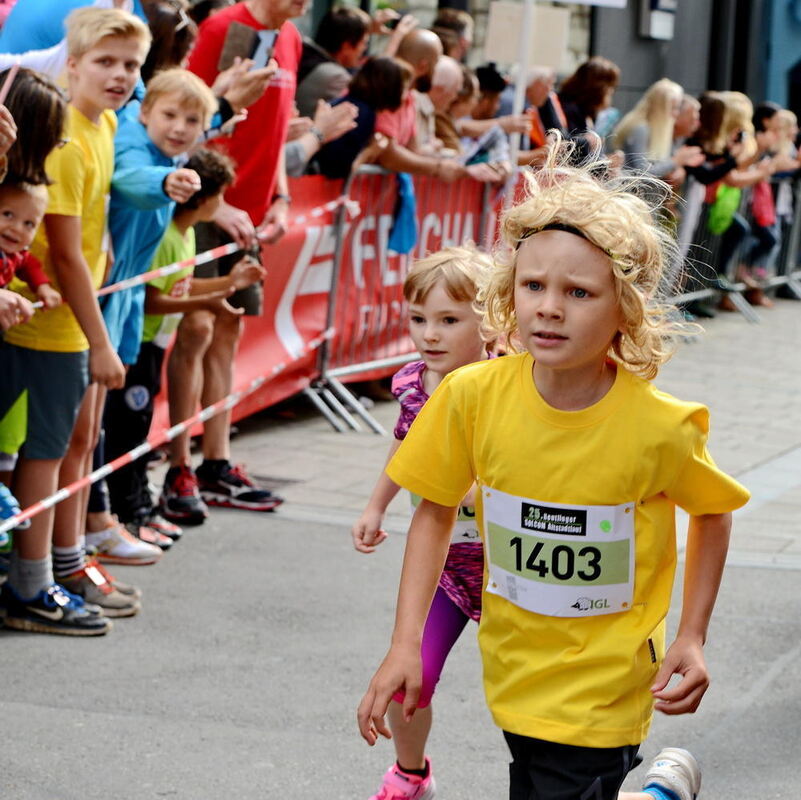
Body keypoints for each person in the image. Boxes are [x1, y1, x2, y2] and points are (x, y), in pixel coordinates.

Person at [357, 137, 749, 800]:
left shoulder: (660, 427)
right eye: (532, 285)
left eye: (578, 291)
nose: (547, 306)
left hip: (606, 683)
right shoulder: (470, 396)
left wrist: (691, 634)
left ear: (624, 307)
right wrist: (403, 646)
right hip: (514, 668)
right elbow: (433, 510)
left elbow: (711, 510)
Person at [0, 7, 151, 633]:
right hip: (48, 328)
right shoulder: (62, 133)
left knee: (68, 448)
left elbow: (94, 226)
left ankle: (61, 564)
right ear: (73, 62)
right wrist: (100, 339)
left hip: (66, 320)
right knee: (41, 456)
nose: (119, 76)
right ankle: (31, 585)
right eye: (105, 62)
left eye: (131, 65)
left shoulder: (108, 122)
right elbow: (59, 250)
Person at [352, 246, 492, 800]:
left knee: (539, 704)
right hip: (446, 573)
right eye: (418, 319)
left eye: (449, 320)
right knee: (408, 681)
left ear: (491, 319)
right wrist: (376, 504)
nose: (429, 335)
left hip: (512, 575)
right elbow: (403, 449)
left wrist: (477, 488)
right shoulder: (414, 383)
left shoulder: (508, 387)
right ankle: (411, 776)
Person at [171, 0, 303, 523]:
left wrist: (282, 196)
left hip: (247, 209)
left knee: (226, 330)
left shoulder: (288, 35)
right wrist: (215, 202)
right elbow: (190, 117)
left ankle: (215, 462)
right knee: (196, 328)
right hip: (206, 201)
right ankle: (180, 464)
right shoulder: (224, 28)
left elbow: (278, 123)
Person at [85, 67, 218, 561]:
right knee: (90, 425)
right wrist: (165, 181)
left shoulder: (171, 148)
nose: (180, 127)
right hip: (101, 294)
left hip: (125, 299)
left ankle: (103, 520)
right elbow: (127, 178)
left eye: (192, 120)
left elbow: (197, 111)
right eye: (169, 115)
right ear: (144, 113)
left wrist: (219, 105)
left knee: (101, 421)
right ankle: (95, 521)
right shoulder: (140, 148)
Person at [104, 148, 263, 534]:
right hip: (137, 345)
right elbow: (155, 298)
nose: (224, 206)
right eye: (221, 197)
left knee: (138, 430)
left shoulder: (187, 232)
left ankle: (140, 506)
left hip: (156, 345)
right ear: (206, 199)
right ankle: (130, 512)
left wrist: (228, 284)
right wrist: (211, 298)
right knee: (128, 432)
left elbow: (180, 286)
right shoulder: (168, 237)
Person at [314, 55, 411, 180]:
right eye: (402, 88)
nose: (406, 95)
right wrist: (370, 151)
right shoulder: (363, 114)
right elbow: (340, 169)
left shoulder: (351, 104)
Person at [612, 79, 704, 178]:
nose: (676, 114)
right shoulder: (641, 129)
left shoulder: (654, 130)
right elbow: (642, 173)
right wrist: (676, 161)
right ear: (660, 108)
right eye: (673, 108)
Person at [295, 5, 370, 118]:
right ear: (347, 46)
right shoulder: (336, 77)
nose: (365, 48)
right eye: (363, 43)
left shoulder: (302, 52)